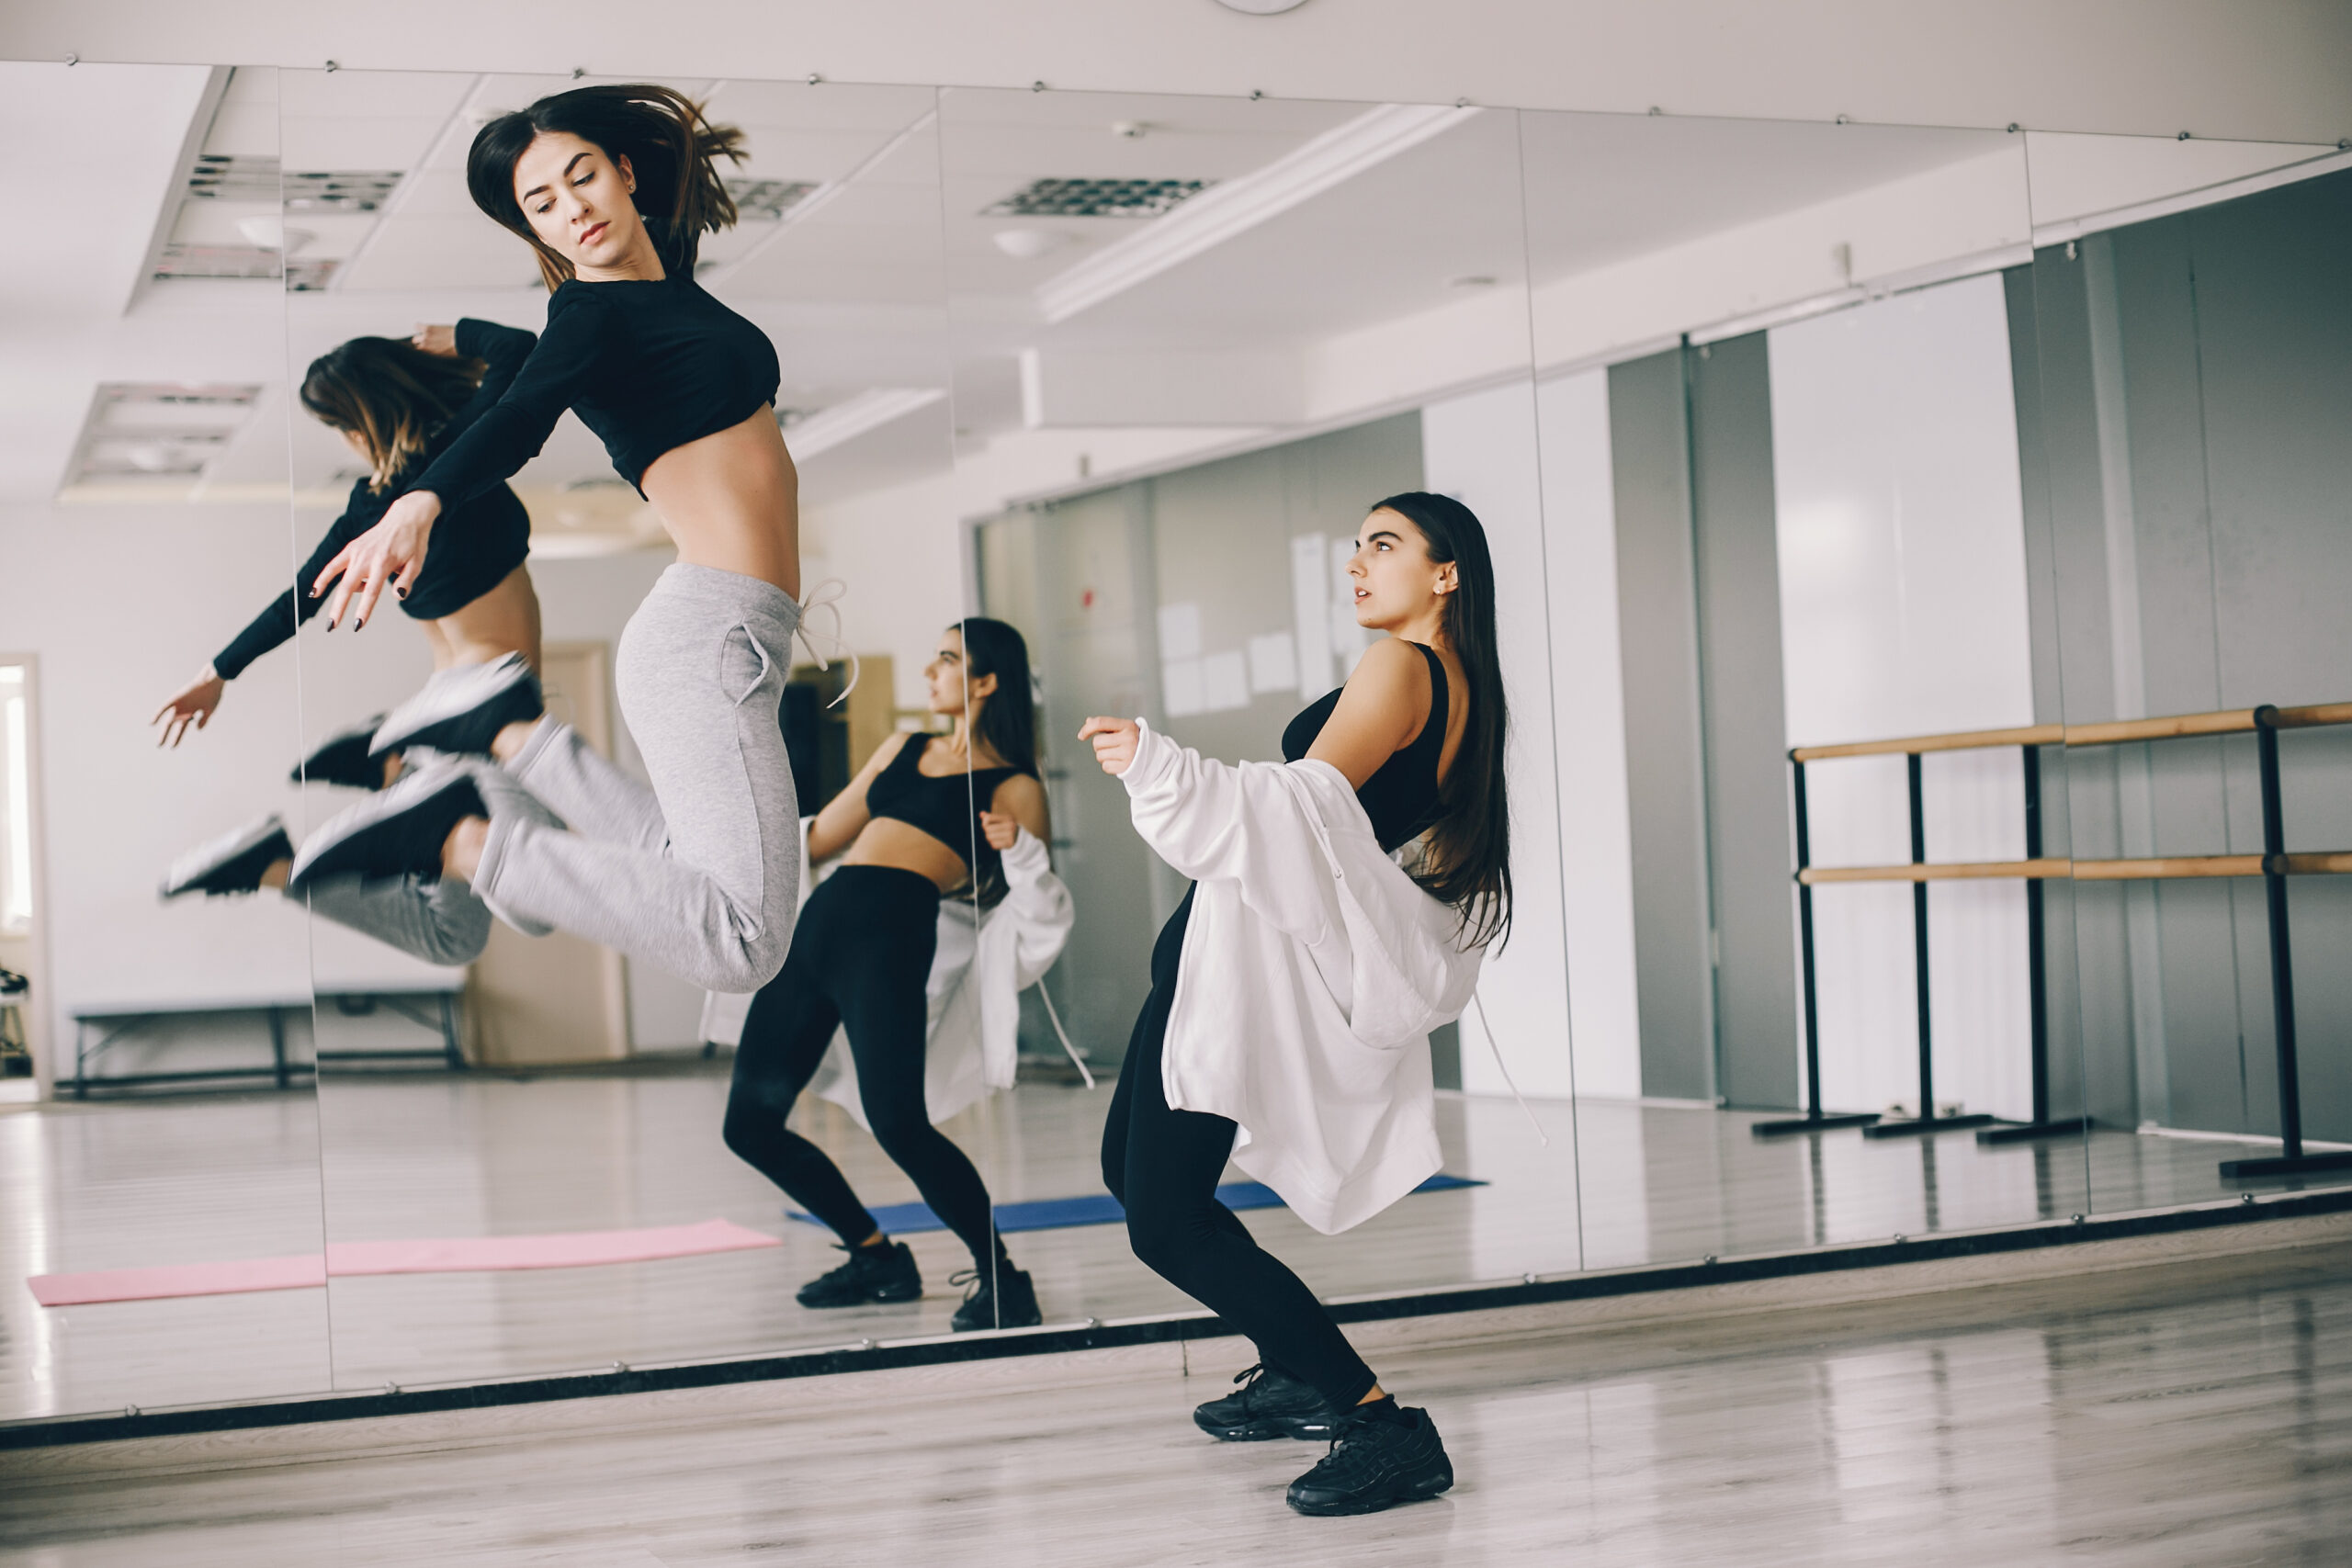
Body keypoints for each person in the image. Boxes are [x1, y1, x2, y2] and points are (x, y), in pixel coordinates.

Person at [283, 84, 811, 996]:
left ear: (625, 172)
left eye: (584, 178)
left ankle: (510, 735)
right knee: (745, 944)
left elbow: (521, 362)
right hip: (707, 635)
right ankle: (455, 835)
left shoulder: (664, 292)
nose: (575, 209)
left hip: (737, 633)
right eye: (544, 204)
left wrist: (469, 337)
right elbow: (523, 413)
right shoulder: (590, 316)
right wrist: (422, 502)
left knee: (685, 863)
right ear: (533, 231)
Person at [1080, 492, 1510, 1517]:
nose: (1357, 563)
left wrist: (1161, 766)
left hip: (1234, 971)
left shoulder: (1404, 666)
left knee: (1167, 1220)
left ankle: (1378, 1421)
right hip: (1219, 960)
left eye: (1385, 546)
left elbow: (1303, 807)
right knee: (1127, 1172)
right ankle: (1293, 1366)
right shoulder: (1461, 690)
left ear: (1444, 574)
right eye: (1356, 546)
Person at [155, 320, 547, 967]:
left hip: (449, 712)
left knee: (459, 934)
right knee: (519, 913)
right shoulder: (465, 451)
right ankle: (294, 849)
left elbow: (299, 599)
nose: (344, 438)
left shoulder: (371, 508)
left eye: (338, 423)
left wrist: (218, 671)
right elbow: (519, 351)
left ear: (359, 423)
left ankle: (388, 772)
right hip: (483, 720)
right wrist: (451, 337)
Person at [723, 620, 1065, 1332]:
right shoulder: (903, 747)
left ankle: (1003, 1279)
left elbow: (1022, 898)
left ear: (986, 679)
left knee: (899, 1123)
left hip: (890, 937)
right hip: (817, 928)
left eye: (946, 658)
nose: (930, 671)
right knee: (748, 1124)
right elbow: (817, 839)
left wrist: (1019, 852)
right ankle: (875, 1253)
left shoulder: (1015, 785)